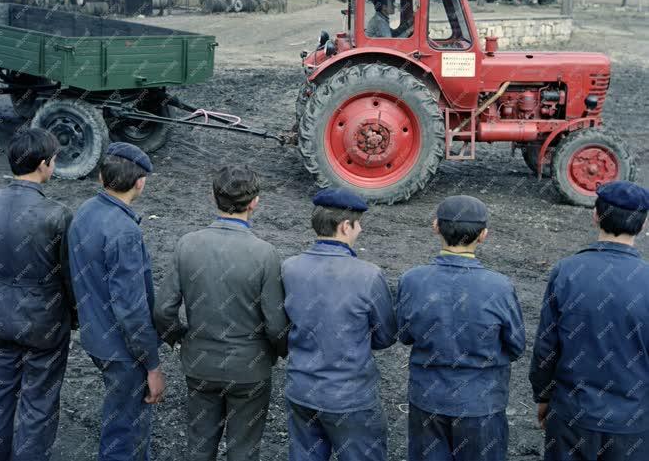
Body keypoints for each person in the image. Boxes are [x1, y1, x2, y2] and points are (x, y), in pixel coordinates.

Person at [154, 165, 288, 461]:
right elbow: (276, 324)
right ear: (254, 202)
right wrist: (276, 353)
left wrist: (180, 341)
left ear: (213, 197)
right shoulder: (265, 253)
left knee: (199, 448)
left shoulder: (187, 245)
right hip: (249, 369)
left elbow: (163, 310)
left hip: (200, 365)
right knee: (243, 451)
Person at [396, 195, 525, 461]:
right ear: (484, 235)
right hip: (481, 404)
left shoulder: (412, 280)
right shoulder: (499, 287)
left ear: (436, 227)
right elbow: (516, 346)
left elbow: (405, 335)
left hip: (427, 400)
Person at [529, 180, 649, 461]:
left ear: (595, 216)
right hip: (632, 423)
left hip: (572, 416)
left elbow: (546, 347)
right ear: (642, 225)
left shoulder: (567, 272)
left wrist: (544, 397)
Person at [282, 187, 397, 461]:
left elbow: (281, 326)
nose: (360, 232)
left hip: (301, 391)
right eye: (358, 226)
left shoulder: (289, 267)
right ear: (345, 226)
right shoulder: (368, 275)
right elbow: (386, 335)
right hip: (350, 398)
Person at [68, 142, 164, 461]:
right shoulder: (124, 232)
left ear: (100, 177)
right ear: (140, 182)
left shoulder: (84, 212)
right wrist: (151, 364)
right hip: (122, 351)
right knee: (126, 431)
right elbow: (132, 310)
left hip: (95, 338)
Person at [0, 128, 74, 461]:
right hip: (45, 322)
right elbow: (72, 276)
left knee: (0, 396)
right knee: (40, 402)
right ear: (44, 165)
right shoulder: (57, 214)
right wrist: (73, 315)